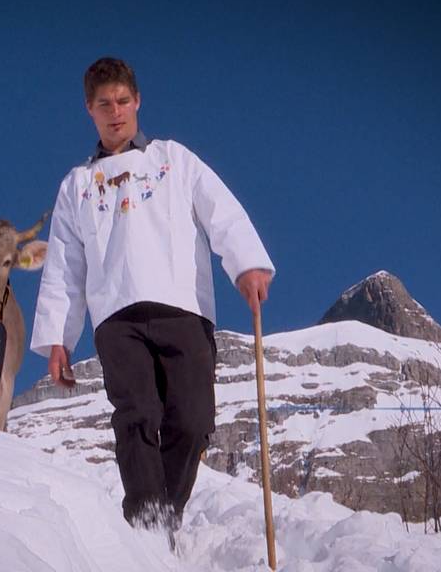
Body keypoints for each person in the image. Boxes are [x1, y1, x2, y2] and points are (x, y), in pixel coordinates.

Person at [30, 57, 275, 541]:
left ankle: (165, 517)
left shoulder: (172, 159)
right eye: (104, 105)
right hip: (116, 317)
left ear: (137, 101)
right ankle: (147, 528)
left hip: (183, 308)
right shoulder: (77, 185)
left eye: (122, 101)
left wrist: (245, 263)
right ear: (90, 110)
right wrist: (58, 337)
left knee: (193, 419)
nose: (115, 112)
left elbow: (219, 209)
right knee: (137, 414)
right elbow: (64, 264)